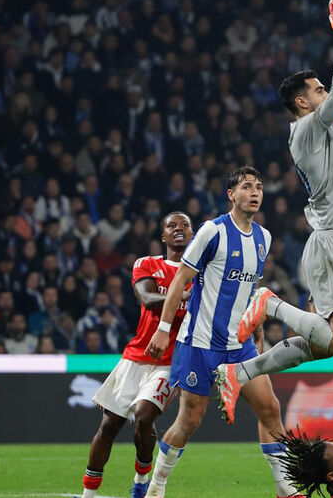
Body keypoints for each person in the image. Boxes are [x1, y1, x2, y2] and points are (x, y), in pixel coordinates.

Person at [213, 0, 333, 423]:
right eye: (318, 90)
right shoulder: (306, 130)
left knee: (323, 344)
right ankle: (268, 303)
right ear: (302, 103)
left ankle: (241, 372)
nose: (327, 92)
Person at [142, 167, 296, 498]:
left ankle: (285, 488)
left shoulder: (264, 238)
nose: (255, 192)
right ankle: (156, 486)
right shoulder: (212, 231)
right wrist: (163, 329)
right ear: (231, 195)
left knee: (270, 409)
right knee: (190, 420)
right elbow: (180, 280)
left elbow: (250, 288)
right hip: (200, 343)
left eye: (259, 187)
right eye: (247, 186)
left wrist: (255, 326)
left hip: (239, 345)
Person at [80, 212, 193, 498]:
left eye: (184, 225)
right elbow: (147, 298)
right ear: (163, 236)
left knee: (143, 416)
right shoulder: (147, 264)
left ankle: (142, 478)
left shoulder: (201, 275)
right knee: (109, 425)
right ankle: (88, 494)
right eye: (171, 226)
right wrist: (181, 296)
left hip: (170, 362)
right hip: (136, 356)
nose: (178, 229)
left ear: (193, 235)